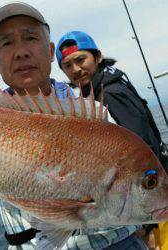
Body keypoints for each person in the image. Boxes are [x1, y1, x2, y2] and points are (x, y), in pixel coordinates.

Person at [0, 3, 146, 249]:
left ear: (50, 51)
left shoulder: (91, 114)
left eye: (30, 37)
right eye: (7, 43)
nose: (21, 52)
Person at [56, 30, 168, 249]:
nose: (76, 70)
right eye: (67, 65)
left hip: (154, 208)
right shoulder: (106, 84)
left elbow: (139, 161)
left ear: (97, 57)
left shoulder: (109, 93)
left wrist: (147, 227)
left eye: (81, 59)